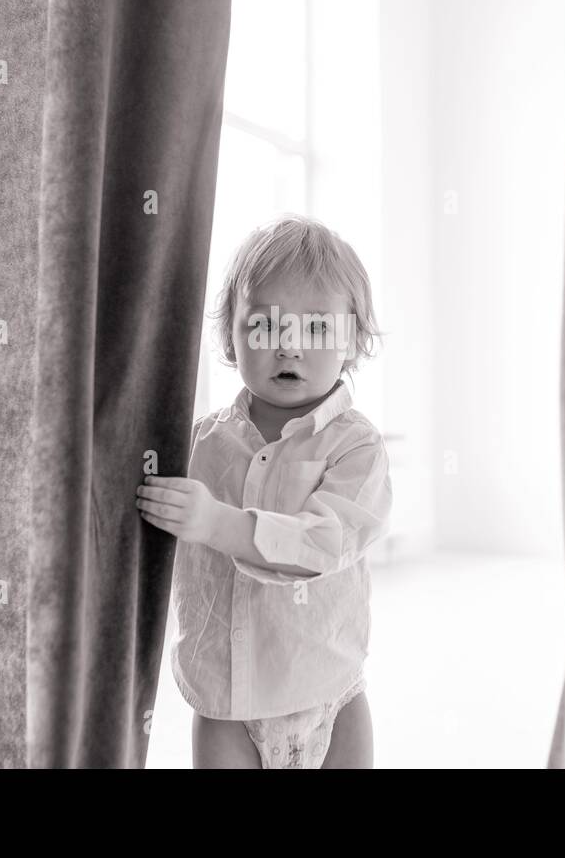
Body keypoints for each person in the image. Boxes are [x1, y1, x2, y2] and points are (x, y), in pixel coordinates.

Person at [136, 213, 393, 768]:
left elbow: (323, 543)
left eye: (318, 329)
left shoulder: (357, 447)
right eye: (265, 326)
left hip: (331, 694)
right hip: (226, 703)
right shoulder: (198, 443)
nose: (290, 347)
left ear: (353, 342)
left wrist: (218, 524)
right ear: (231, 335)